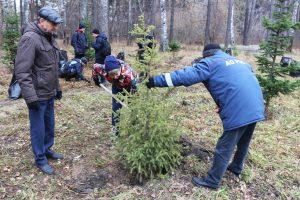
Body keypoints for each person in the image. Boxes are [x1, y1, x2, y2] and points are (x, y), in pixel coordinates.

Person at [146, 43, 265, 189]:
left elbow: (182, 76)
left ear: (206, 55)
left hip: (239, 108)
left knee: (224, 146)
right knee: (244, 139)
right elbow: (238, 81)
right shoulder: (238, 61)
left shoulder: (208, 63)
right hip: (256, 104)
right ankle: (236, 167)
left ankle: (212, 181)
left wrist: (153, 81)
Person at [14, 7, 64, 175]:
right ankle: (40, 159)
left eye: (57, 25)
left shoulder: (49, 38)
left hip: (49, 92)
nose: (55, 27)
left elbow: (52, 68)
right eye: (53, 24)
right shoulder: (30, 39)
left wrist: (57, 88)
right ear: (41, 21)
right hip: (37, 95)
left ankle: (47, 149)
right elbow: (22, 71)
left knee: (49, 125)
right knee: (38, 128)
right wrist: (30, 97)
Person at [92, 55, 137, 135]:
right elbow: (95, 67)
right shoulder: (103, 69)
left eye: (116, 74)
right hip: (117, 87)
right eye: (112, 75)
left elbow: (136, 89)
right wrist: (95, 78)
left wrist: (134, 94)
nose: (115, 77)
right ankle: (115, 131)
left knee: (133, 106)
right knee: (115, 109)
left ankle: (135, 127)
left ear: (119, 68)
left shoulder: (128, 73)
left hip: (130, 86)